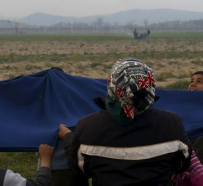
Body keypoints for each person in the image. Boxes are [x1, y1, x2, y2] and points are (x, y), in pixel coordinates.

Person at [58, 57, 191, 185]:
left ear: (112, 86)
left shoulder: (88, 126)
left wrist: (69, 137)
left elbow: (80, 167)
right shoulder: (172, 124)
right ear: (150, 86)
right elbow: (182, 164)